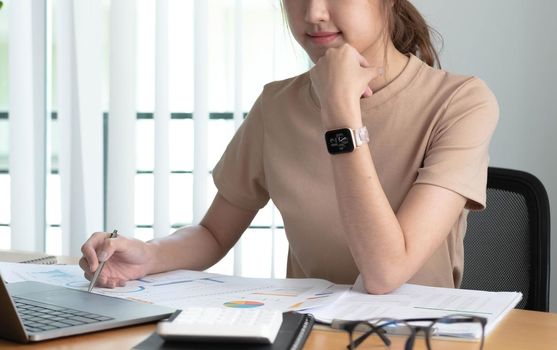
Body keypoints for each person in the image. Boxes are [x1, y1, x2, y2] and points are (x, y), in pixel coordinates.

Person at [79, 0, 498, 294]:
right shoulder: (277, 106)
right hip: (310, 334)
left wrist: (339, 111)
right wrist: (149, 256)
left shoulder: (460, 103)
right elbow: (213, 233)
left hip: (418, 336)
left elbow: (385, 273)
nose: (313, 13)